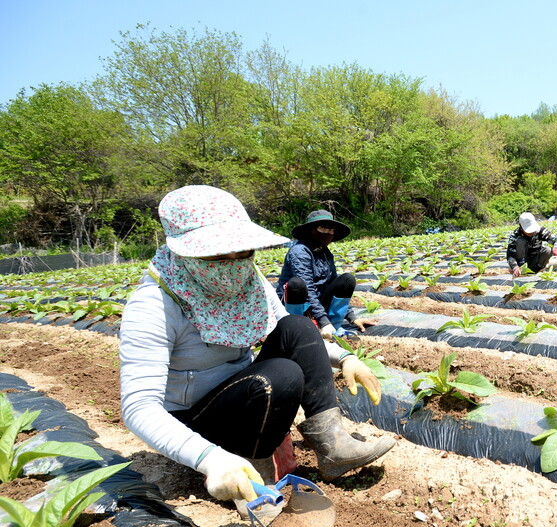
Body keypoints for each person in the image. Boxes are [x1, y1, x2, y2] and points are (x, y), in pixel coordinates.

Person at [120, 185, 395, 509]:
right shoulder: (153, 305)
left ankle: (334, 446)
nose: (234, 264)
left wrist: (344, 358)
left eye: (243, 252)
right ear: (183, 253)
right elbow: (139, 407)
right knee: (280, 376)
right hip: (194, 421)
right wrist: (209, 459)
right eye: (218, 255)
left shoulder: (246, 278)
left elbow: (289, 331)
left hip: (240, 395)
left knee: (298, 326)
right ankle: (252, 477)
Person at [277, 210, 365, 339]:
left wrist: (352, 317)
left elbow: (333, 281)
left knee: (347, 280)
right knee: (297, 284)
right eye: (323, 229)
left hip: (317, 301)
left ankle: (334, 325)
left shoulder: (324, 252)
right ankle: (297, 327)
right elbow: (308, 288)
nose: (328, 233)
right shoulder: (299, 251)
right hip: (297, 302)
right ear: (311, 230)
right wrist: (323, 321)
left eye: (331, 230)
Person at [507, 212, 557, 277]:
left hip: (535, 258)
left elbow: (556, 239)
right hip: (522, 262)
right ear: (521, 228)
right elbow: (510, 255)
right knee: (521, 241)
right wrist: (514, 266)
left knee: (548, 250)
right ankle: (521, 269)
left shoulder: (540, 230)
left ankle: (539, 269)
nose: (532, 232)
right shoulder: (515, 235)